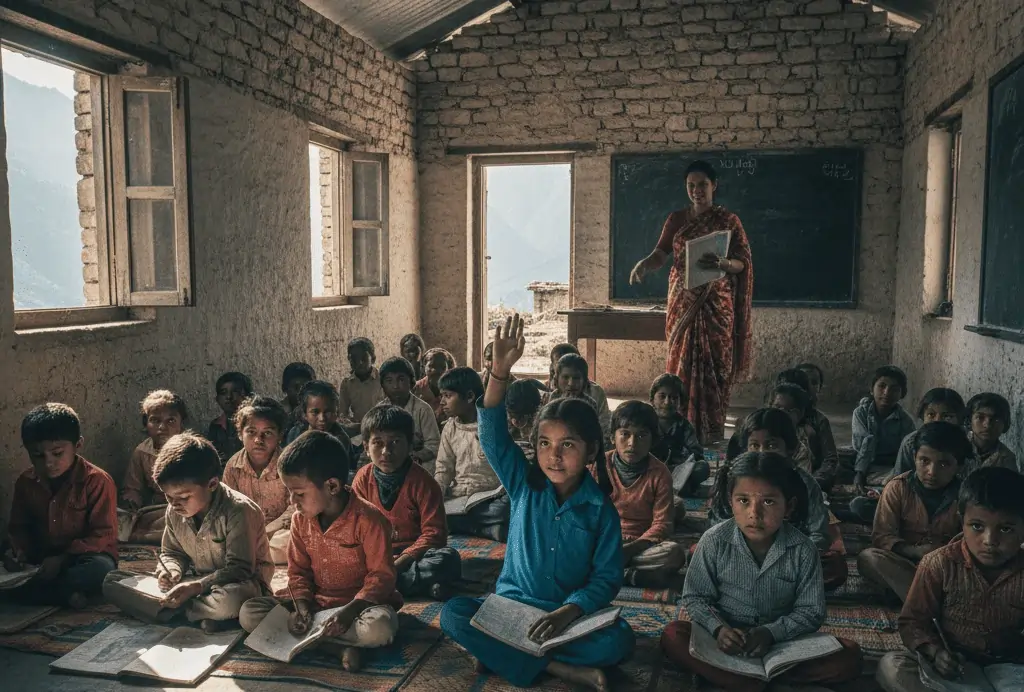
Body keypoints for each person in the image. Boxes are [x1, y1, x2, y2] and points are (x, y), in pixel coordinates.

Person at [440, 315, 636, 691]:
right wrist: (498, 373)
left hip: (565, 617)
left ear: (592, 449)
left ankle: (505, 654)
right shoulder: (523, 485)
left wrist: (568, 611)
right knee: (454, 614)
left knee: (618, 640)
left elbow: (607, 579)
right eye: (545, 444)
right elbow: (493, 435)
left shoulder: (600, 510)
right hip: (512, 608)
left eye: (568, 445)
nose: (554, 456)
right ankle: (557, 670)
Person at [661, 452, 863, 692]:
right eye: (743, 500)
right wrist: (720, 629)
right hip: (725, 640)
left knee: (850, 655)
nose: (754, 514)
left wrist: (770, 632)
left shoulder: (803, 549)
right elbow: (695, 598)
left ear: (789, 506)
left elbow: (811, 611)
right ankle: (761, 681)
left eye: (768, 502)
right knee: (673, 635)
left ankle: (741, 680)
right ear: (730, 501)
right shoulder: (713, 541)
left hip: (780, 644)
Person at [239, 431, 401, 673]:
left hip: (358, 609)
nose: (292, 501)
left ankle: (311, 642)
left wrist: (349, 613)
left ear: (332, 486)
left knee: (380, 628)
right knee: (249, 612)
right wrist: (302, 608)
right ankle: (335, 649)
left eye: (300, 494)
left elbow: (382, 577)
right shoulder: (299, 520)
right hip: (316, 607)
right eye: (290, 493)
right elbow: (298, 573)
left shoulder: (370, 520)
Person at [629, 160, 753, 443]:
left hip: (716, 304)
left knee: (715, 364)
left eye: (703, 185)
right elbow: (661, 253)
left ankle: (711, 431)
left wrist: (722, 262)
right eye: (691, 186)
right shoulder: (676, 219)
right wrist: (645, 264)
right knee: (681, 363)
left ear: (714, 186)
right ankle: (676, 426)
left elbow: (741, 264)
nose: (697, 191)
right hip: (683, 301)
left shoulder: (728, 221)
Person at [876, 467, 1024, 691]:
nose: (990, 540)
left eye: (1005, 529)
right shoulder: (939, 563)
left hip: (1011, 667)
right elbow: (913, 622)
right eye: (977, 526)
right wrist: (936, 653)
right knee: (893, 668)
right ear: (961, 520)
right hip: (957, 665)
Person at [149, 432, 272, 632]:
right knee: (114, 582)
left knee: (230, 601)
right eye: (168, 496)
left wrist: (197, 587)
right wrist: (171, 570)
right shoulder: (174, 508)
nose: (174, 504)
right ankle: (202, 615)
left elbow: (240, 569)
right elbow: (172, 553)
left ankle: (173, 610)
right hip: (195, 585)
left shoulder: (239, 510)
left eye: (184, 497)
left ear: (212, 484)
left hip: (241, 584)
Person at [716, 409, 847, 591]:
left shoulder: (805, 483)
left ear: (790, 450)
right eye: (754, 445)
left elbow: (818, 533)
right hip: (741, 554)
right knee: (700, 554)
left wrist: (786, 557)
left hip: (789, 558)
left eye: (771, 446)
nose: (762, 453)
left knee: (835, 567)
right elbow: (719, 522)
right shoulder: (734, 480)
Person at [2, 404, 117, 609]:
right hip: (40, 559)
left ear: (78, 445)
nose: (48, 463)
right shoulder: (26, 482)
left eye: (57, 453)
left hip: (80, 558)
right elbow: (18, 527)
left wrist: (62, 559)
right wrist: (17, 552)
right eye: (38, 455)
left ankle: (28, 594)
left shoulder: (97, 481)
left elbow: (103, 535)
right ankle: (63, 595)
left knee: (101, 570)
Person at [351, 405, 461, 601]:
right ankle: (417, 585)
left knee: (447, 558)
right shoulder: (362, 479)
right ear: (366, 447)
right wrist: (380, 560)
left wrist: (398, 564)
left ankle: (388, 586)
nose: (386, 451)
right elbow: (355, 527)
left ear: (410, 446)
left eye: (395, 442)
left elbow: (434, 535)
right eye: (378, 442)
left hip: (414, 556)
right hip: (377, 555)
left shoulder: (424, 483)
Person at [857, 421, 971, 603]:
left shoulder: (967, 497)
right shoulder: (897, 488)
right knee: (869, 558)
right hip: (906, 565)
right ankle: (929, 605)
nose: (931, 472)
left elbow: (971, 542)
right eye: (924, 461)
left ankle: (916, 602)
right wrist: (915, 552)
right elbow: (882, 537)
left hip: (948, 569)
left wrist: (942, 556)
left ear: (959, 466)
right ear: (914, 457)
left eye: (944, 464)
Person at [849, 387, 970, 523]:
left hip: (952, 506)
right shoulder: (911, 442)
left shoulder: (966, 445)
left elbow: (969, 488)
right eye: (931, 415)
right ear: (922, 417)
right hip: (913, 503)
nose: (937, 420)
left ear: (960, 419)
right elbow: (900, 481)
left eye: (947, 416)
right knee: (859, 505)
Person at [598, 400, 684, 588]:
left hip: (640, 544)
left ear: (653, 439)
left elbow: (662, 524)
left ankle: (610, 572)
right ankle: (630, 576)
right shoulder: (597, 467)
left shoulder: (660, 473)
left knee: (674, 553)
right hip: (603, 542)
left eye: (642, 435)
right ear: (612, 437)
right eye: (625, 434)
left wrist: (630, 549)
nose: (632, 443)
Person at [434, 367, 510, 542]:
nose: (442, 402)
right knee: (431, 512)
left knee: (505, 508)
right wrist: (434, 497)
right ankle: (484, 529)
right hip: (460, 496)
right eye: (441, 396)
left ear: (469, 397)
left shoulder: (492, 425)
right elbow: (443, 469)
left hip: (490, 496)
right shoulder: (449, 427)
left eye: (447, 396)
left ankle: (467, 525)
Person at [222, 396, 292, 565]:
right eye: (251, 432)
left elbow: (295, 508)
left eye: (267, 433)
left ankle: (250, 556)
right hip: (244, 533)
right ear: (240, 434)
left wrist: (266, 532)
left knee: (292, 540)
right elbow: (225, 507)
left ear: (280, 436)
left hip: (279, 532)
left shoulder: (290, 464)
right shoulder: (233, 467)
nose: (258, 440)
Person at [121, 390, 188, 544]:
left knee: (182, 521)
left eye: (170, 421)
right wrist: (131, 503)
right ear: (146, 424)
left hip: (184, 509)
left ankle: (141, 537)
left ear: (181, 424)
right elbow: (132, 487)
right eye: (155, 420)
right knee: (127, 520)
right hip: (156, 510)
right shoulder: (142, 452)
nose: (162, 427)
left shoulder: (191, 450)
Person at [852, 365, 916, 496]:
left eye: (894, 389)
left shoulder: (906, 421)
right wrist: (860, 474)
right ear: (871, 389)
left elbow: (906, 455)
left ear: (902, 394)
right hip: (863, 462)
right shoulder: (861, 413)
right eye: (882, 386)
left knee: (903, 480)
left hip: (890, 467)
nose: (887, 392)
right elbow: (864, 444)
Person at [648, 373, 708, 500]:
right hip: (650, 469)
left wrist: (682, 461)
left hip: (677, 471)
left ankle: (669, 487)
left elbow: (696, 452)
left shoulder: (684, 425)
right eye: (662, 396)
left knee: (703, 467)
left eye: (674, 398)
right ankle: (678, 489)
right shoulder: (645, 422)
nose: (667, 402)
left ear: (680, 402)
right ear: (652, 399)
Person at [379, 356, 441, 470]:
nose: (395, 386)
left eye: (401, 379)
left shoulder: (423, 409)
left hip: (416, 462)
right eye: (389, 381)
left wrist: (415, 456)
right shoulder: (379, 411)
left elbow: (434, 445)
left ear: (412, 383)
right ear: (382, 385)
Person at [793, 362, 839, 490]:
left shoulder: (819, 420)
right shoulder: (776, 415)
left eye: (814, 383)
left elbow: (830, 459)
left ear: (819, 388)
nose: (808, 387)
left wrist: (814, 481)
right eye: (803, 382)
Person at [549, 353, 611, 440]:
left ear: (585, 381)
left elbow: (601, 431)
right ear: (557, 379)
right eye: (565, 377)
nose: (571, 383)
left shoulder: (591, 402)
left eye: (576, 378)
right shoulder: (553, 398)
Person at [284, 380, 353, 455]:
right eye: (315, 412)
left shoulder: (341, 440)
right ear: (304, 414)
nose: (322, 418)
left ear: (336, 412)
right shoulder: (295, 434)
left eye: (328, 412)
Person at [338, 337, 385, 437]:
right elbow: (342, 414)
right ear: (348, 359)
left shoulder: (383, 380)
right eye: (354, 358)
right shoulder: (347, 383)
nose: (359, 363)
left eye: (363, 358)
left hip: (382, 428)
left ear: (373, 359)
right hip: (359, 430)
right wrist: (349, 423)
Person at [768, 382, 815, 475]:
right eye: (775, 407)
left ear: (797, 415)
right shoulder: (758, 433)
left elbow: (802, 482)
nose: (777, 414)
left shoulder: (800, 449)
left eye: (783, 410)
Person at [208, 371, 253, 464]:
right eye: (223, 392)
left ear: (248, 396)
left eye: (235, 391)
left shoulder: (256, 424)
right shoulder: (215, 427)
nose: (229, 396)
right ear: (217, 399)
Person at [966, 392, 1019, 472]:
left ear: (1005, 423)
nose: (987, 425)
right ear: (969, 421)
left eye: (996, 419)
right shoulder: (958, 448)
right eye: (980, 417)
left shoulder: (1006, 459)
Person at [413, 347, 457, 426]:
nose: (436, 370)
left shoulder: (455, 390)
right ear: (424, 367)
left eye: (442, 367)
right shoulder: (416, 389)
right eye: (431, 366)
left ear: (448, 368)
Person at [506, 378, 542, 461]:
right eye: (514, 414)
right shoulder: (505, 415)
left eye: (525, 415)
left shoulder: (540, 417)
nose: (517, 420)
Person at [281, 362, 316, 428]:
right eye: (296, 387)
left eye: (306, 387)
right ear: (284, 388)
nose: (301, 392)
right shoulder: (278, 414)